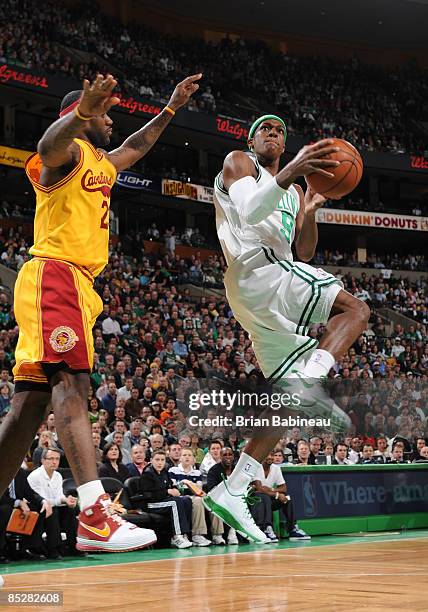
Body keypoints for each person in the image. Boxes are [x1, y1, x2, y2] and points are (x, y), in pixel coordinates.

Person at [0, 71, 201, 552]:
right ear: (82, 115)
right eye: (105, 113)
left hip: (73, 283)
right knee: (73, 385)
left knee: (29, 407)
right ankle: (94, 514)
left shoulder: (104, 162)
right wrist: (83, 110)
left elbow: (137, 144)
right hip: (56, 275)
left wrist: (170, 109)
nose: (111, 120)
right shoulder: (66, 155)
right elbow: (49, 146)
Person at [205, 115, 370, 542]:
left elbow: (304, 251)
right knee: (356, 311)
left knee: (285, 402)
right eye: (265, 129)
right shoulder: (239, 162)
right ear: (252, 139)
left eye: (279, 130)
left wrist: (309, 211)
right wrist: (294, 170)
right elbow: (247, 209)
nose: (273, 133)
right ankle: (311, 381)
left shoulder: (294, 192)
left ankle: (234, 486)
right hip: (256, 270)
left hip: (260, 288)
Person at [27, 447, 82, 558]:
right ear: (42, 460)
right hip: (37, 508)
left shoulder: (58, 475)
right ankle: (54, 549)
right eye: (51, 458)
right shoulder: (35, 476)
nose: (54, 462)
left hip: (52, 506)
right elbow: (41, 499)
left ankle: (73, 546)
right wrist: (60, 501)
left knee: (71, 509)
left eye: (57, 459)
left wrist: (66, 500)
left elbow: (59, 496)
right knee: (53, 511)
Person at [137, 450, 193, 549]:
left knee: (186, 500)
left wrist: (175, 490)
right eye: (157, 460)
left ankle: (185, 534)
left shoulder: (165, 472)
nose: (160, 462)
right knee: (175, 502)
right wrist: (167, 492)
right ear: (151, 460)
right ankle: (176, 536)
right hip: (151, 504)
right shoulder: (147, 474)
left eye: (162, 460)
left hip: (164, 501)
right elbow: (148, 495)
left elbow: (171, 486)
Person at [251, 451, 310, 542]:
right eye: (267, 455)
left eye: (272, 455)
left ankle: (292, 529)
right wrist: (277, 495)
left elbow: (283, 488)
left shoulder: (276, 468)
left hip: (269, 498)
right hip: (255, 500)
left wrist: (272, 490)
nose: (270, 457)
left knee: (287, 499)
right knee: (263, 496)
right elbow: (259, 488)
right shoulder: (257, 467)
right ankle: (266, 528)